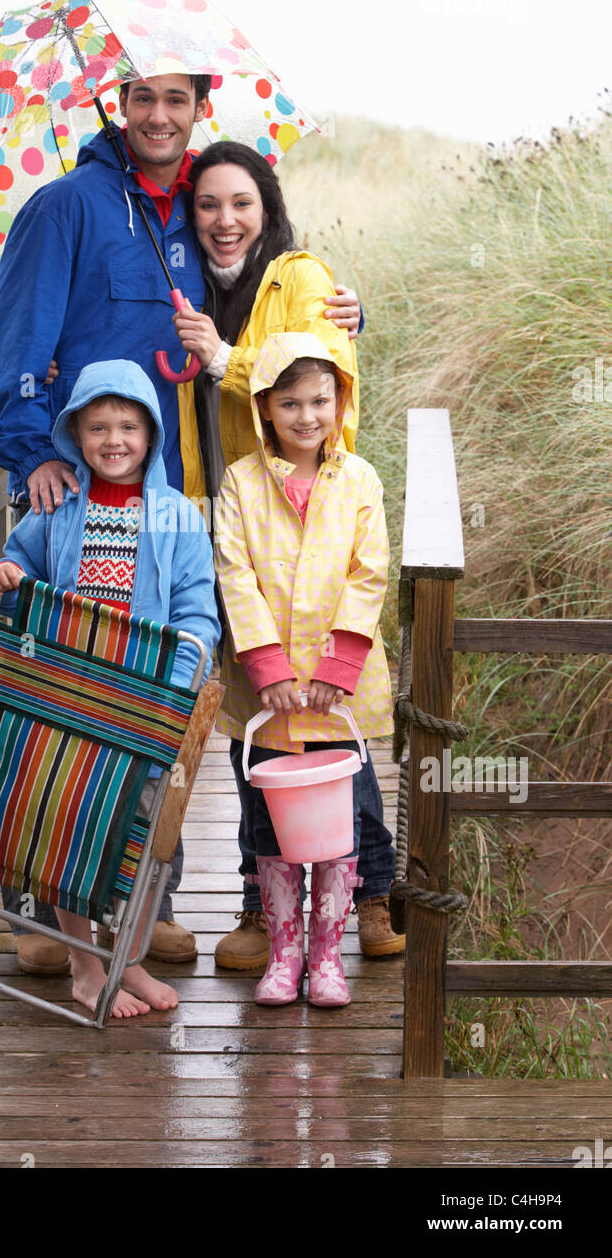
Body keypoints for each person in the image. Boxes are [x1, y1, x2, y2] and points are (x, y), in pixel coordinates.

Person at [0, 76, 360, 969]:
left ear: (199, 107)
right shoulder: (65, 207)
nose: (158, 116)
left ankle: (149, 902)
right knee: (57, 706)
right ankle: (43, 908)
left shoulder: (189, 211)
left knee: (153, 708)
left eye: (176, 100)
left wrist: (345, 315)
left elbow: (256, 282)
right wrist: (33, 456)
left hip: (170, 508)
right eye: (142, 98)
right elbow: (13, 349)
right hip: (70, 501)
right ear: (116, 103)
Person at [167, 141, 402, 968]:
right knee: (259, 745)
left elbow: (319, 368)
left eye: (241, 203)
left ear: (267, 206)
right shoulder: (191, 279)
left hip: (312, 526)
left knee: (345, 750)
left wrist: (224, 361)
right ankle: (260, 909)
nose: (224, 220)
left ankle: (370, 896)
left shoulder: (296, 278)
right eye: (207, 205)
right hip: (245, 523)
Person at [0, 359, 219, 1017]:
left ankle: (130, 959)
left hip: (142, 702)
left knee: (145, 835)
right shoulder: (58, 506)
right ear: (74, 435)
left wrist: (176, 686)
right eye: (96, 427)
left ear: (150, 433)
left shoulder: (176, 516)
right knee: (68, 830)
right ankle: (87, 965)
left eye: (127, 426)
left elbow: (197, 611)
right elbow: (17, 559)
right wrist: (3, 570)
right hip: (63, 696)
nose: (113, 440)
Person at [213, 333, 392, 1006]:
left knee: (336, 823)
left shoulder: (360, 480)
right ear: (264, 408)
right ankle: (283, 957)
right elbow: (236, 574)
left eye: (321, 401)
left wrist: (335, 664)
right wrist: (269, 667)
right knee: (268, 822)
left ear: (341, 401)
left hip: (337, 694)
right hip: (266, 699)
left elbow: (368, 573)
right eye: (290, 404)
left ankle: (328, 958)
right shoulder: (240, 483)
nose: (307, 417)